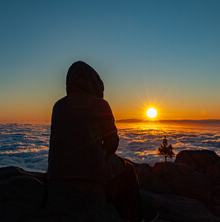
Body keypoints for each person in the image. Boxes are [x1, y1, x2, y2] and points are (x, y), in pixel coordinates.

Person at [48, 61, 156, 221]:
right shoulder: (100, 105)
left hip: (57, 173)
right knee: (128, 171)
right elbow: (112, 142)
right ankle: (135, 216)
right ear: (95, 82)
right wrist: (101, 154)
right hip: (92, 170)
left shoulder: (59, 105)